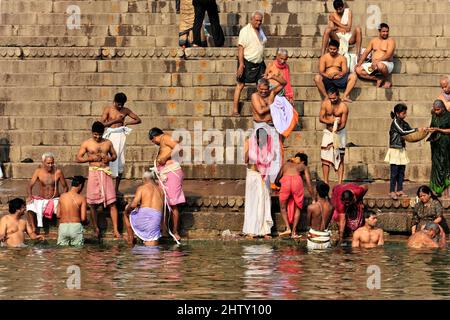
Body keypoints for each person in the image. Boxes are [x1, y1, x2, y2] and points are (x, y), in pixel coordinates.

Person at [76, 121, 121, 239]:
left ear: (103, 133)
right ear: (92, 133)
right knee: (92, 204)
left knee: (112, 203)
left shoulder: (108, 142)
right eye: (95, 134)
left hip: (105, 172)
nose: (97, 137)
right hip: (93, 173)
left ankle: (116, 230)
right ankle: (96, 229)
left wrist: (109, 158)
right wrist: (89, 158)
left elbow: (115, 155)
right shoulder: (86, 143)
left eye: (100, 134)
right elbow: (78, 158)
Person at [148, 127, 185, 241]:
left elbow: (179, 147)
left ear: (154, 136)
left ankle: (175, 231)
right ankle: (164, 230)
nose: (154, 143)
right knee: (164, 203)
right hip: (165, 174)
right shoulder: (163, 142)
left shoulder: (165, 137)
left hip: (171, 173)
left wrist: (164, 157)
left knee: (173, 204)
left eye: (153, 140)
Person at [101, 92, 141, 194]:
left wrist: (127, 122)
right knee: (108, 161)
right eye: (118, 104)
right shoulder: (108, 109)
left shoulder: (125, 110)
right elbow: (102, 124)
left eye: (122, 104)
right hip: (110, 137)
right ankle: (106, 188)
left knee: (120, 161)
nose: (120, 106)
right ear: (114, 101)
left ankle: (116, 189)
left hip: (121, 137)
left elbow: (138, 120)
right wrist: (115, 121)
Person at [251, 77, 288, 186]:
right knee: (262, 153)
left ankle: (274, 180)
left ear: (269, 88)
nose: (263, 92)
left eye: (265, 89)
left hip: (272, 126)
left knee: (275, 152)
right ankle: (262, 179)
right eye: (261, 89)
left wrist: (272, 77)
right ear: (258, 88)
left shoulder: (271, 93)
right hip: (260, 126)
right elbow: (260, 111)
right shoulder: (255, 96)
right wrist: (273, 105)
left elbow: (284, 83)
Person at [385, 103, 424, 200]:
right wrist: (416, 129)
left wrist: (422, 130)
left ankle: (399, 190)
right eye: (403, 113)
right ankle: (391, 191)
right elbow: (402, 131)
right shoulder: (395, 122)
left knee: (401, 171)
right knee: (394, 172)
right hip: (395, 149)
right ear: (397, 114)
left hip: (401, 149)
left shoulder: (403, 122)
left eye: (405, 113)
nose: (405, 115)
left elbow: (410, 130)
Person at [232, 10, 267, 116]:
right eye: (256, 20)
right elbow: (240, 48)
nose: (259, 22)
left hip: (259, 62)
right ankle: (235, 110)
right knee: (240, 85)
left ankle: (260, 109)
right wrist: (241, 64)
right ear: (251, 20)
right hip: (246, 62)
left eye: (260, 21)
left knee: (262, 85)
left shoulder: (260, 30)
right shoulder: (245, 31)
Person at [242, 128, 273, 239]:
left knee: (265, 202)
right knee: (252, 203)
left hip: (264, 177)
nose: (262, 142)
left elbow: (271, 159)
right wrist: (248, 147)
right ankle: (251, 231)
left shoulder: (268, 144)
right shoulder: (249, 143)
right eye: (261, 139)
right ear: (257, 138)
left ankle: (265, 230)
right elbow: (245, 160)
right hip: (253, 176)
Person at [26, 152, 68, 232]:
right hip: (42, 199)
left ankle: (60, 228)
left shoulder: (58, 172)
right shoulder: (38, 171)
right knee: (29, 204)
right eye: (48, 163)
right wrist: (30, 196)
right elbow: (30, 185)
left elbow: (65, 187)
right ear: (43, 162)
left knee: (64, 206)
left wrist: (62, 199)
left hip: (55, 199)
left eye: (52, 163)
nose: (50, 165)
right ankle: (34, 228)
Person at [275, 153, 314, 239]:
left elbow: (276, 180)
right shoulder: (303, 166)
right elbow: (308, 183)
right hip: (297, 182)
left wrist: (282, 185)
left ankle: (288, 228)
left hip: (285, 182)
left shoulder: (285, 165)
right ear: (303, 161)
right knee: (298, 207)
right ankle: (294, 232)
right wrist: (313, 197)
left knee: (283, 208)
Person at [124, 171, 164, 246]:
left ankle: (130, 238)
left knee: (126, 212)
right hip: (156, 219)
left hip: (143, 218)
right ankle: (135, 238)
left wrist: (127, 209)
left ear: (144, 179)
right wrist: (162, 226)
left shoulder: (142, 188)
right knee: (152, 249)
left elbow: (133, 205)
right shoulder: (161, 190)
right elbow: (163, 209)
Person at [319, 86, 349, 184]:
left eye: (334, 98)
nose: (332, 100)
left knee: (340, 157)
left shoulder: (343, 107)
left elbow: (343, 123)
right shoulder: (325, 103)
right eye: (330, 98)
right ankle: (325, 182)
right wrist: (331, 121)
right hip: (328, 132)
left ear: (338, 95)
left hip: (340, 133)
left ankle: (339, 182)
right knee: (325, 157)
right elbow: (321, 118)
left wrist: (336, 130)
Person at [355, 23, 396, 88]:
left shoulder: (391, 41)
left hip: (386, 64)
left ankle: (386, 80)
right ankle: (378, 79)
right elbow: (366, 53)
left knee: (380, 65)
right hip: (374, 65)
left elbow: (388, 55)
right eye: (383, 31)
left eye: (387, 31)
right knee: (358, 70)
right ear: (379, 31)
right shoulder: (374, 40)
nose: (386, 33)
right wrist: (359, 63)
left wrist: (377, 61)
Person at [427, 100, 450, 197]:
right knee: (436, 165)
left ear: (443, 108)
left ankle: (444, 187)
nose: (436, 111)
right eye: (435, 109)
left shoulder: (448, 116)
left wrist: (439, 129)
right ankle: (435, 188)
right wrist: (430, 129)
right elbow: (432, 126)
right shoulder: (434, 115)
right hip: (435, 144)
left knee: (443, 164)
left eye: (438, 110)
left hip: (445, 144)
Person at [56, 176, 87, 246]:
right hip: (75, 227)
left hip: (63, 227)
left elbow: (58, 215)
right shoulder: (82, 198)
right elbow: (83, 218)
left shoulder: (62, 196)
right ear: (81, 185)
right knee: (76, 253)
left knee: (63, 253)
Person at [306, 181, 334, 250]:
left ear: (316, 191)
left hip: (313, 238)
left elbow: (308, 223)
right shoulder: (331, 207)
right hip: (325, 239)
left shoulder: (311, 207)